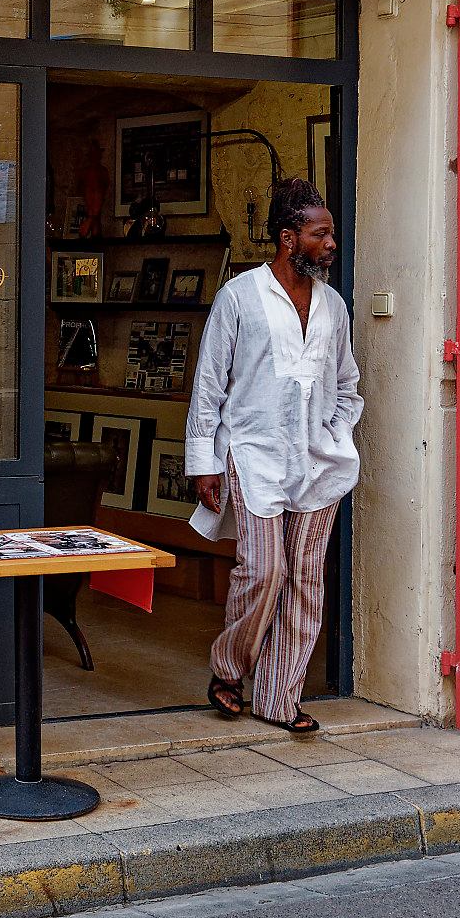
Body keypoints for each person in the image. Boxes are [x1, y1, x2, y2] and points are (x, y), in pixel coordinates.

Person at [184, 179, 362, 734]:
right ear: (289, 239)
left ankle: (279, 697)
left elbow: (348, 384)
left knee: (307, 577)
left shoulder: (333, 305)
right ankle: (229, 668)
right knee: (263, 570)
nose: (332, 242)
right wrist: (204, 462)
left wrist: (338, 433)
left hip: (320, 464)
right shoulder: (239, 296)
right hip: (254, 455)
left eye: (330, 232)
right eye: (320, 233)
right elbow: (210, 383)